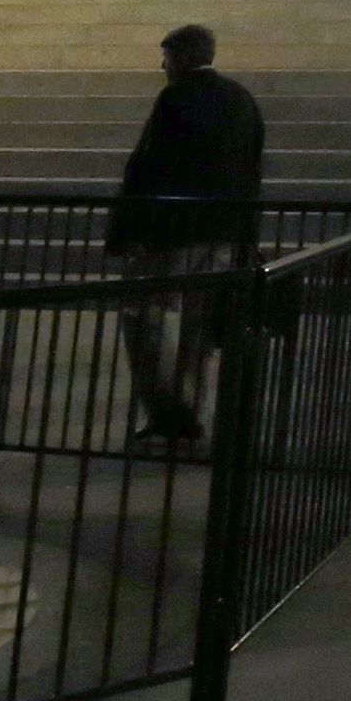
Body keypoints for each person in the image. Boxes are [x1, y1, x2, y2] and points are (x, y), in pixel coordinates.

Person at [106, 23, 267, 445]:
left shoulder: (175, 99)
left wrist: (127, 230)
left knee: (141, 314)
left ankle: (166, 411)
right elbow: (251, 171)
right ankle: (192, 410)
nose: (162, 66)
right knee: (200, 327)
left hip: (171, 232)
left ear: (180, 59)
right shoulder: (242, 99)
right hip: (224, 232)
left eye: (166, 57)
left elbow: (148, 167)